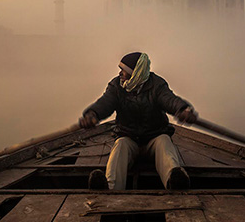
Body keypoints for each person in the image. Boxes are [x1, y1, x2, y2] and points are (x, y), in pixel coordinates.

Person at [79, 52, 197, 190]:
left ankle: (174, 183)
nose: (120, 73)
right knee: (120, 145)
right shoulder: (116, 86)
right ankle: (110, 188)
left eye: (124, 70)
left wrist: (183, 109)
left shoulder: (157, 85)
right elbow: (105, 102)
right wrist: (92, 114)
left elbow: (169, 100)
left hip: (155, 137)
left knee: (165, 143)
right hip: (129, 138)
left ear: (136, 73)